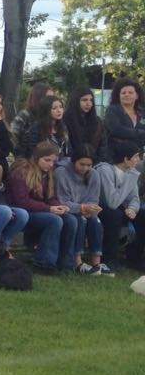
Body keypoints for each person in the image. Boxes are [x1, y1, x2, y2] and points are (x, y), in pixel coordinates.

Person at [6, 141, 78, 273]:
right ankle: (44, 263)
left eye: (53, 161)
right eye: (47, 160)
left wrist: (59, 206)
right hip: (21, 212)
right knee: (54, 220)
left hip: (40, 210)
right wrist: (49, 209)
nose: (50, 164)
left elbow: (50, 198)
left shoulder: (48, 174)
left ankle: (65, 263)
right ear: (37, 158)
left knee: (70, 220)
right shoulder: (22, 171)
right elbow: (22, 201)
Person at [95, 139, 143, 272]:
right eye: (136, 156)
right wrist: (129, 179)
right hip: (100, 208)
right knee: (115, 214)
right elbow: (111, 202)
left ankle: (134, 257)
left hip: (119, 207)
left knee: (142, 214)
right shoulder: (105, 170)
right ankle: (109, 259)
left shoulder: (131, 173)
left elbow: (134, 198)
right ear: (126, 159)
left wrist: (132, 208)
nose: (138, 160)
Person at [56, 145, 105, 274]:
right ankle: (77, 262)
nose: (85, 168)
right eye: (82, 164)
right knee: (80, 220)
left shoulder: (94, 174)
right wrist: (81, 208)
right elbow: (62, 199)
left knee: (96, 222)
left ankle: (97, 263)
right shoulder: (61, 172)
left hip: (85, 210)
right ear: (74, 161)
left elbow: (94, 198)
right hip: (66, 210)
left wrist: (91, 208)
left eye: (89, 165)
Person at [17, 94, 70, 160]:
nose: (59, 110)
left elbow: (68, 150)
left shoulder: (63, 127)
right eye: (54, 108)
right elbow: (33, 152)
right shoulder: (36, 129)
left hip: (62, 163)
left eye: (61, 107)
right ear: (46, 110)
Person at [102, 77, 145, 152]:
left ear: (137, 96)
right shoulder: (112, 110)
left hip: (137, 155)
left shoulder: (142, 113)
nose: (126, 95)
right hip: (115, 154)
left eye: (130, 93)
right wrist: (139, 133)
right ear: (118, 96)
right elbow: (116, 130)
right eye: (123, 93)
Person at [67, 88, 107, 164]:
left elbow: (102, 145)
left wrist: (95, 162)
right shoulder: (66, 120)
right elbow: (68, 146)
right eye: (84, 100)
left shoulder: (97, 122)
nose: (88, 103)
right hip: (71, 163)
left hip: (94, 163)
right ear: (76, 101)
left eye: (91, 100)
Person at [10, 81, 53, 149]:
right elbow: (13, 138)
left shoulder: (51, 116)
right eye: (48, 98)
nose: (52, 101)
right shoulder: (24, 115)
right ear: (39, 98)